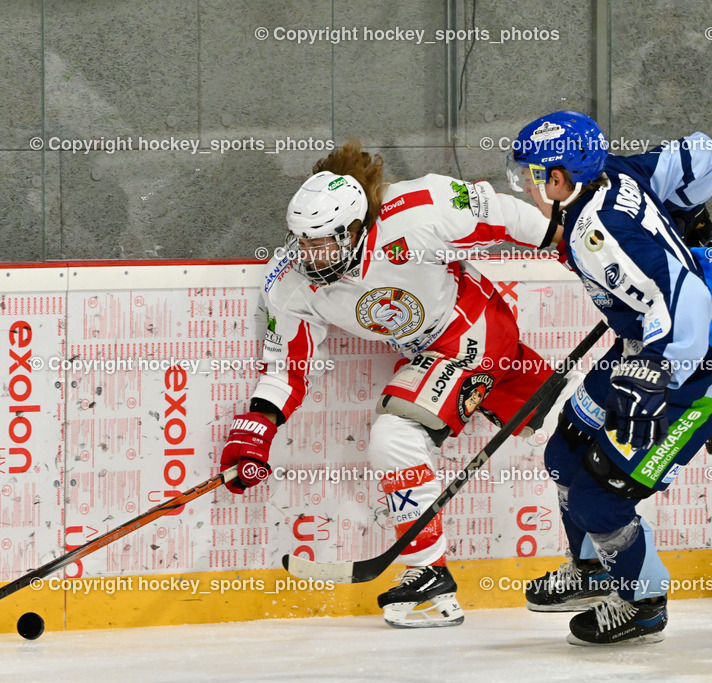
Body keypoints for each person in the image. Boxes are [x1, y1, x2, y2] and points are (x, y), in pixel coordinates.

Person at [218, 141, 561, 627]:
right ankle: (434, 574)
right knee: (564, 435)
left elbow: (503, 214)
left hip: (474, 327)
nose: (310, 255)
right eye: (302, 241)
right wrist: (257, 427)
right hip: (428, 353)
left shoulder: (417, 214)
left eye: (322, 241)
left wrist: (570, 243)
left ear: (354, 229)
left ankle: (428, 571)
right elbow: (286, 367)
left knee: (395, 435)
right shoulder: (292, 282)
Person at [508, 111, 712, 644]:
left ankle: (642, 599)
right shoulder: (616, 173)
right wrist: (688, 213)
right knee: (565, 451)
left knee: (602, 499)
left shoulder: (599, 235)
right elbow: (701, 155)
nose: (526, 185)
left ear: (559, 179)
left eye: (531, 174)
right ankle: (594, 571)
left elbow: (684, 301)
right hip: (654, 343)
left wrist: (658, 375)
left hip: (698, 366)